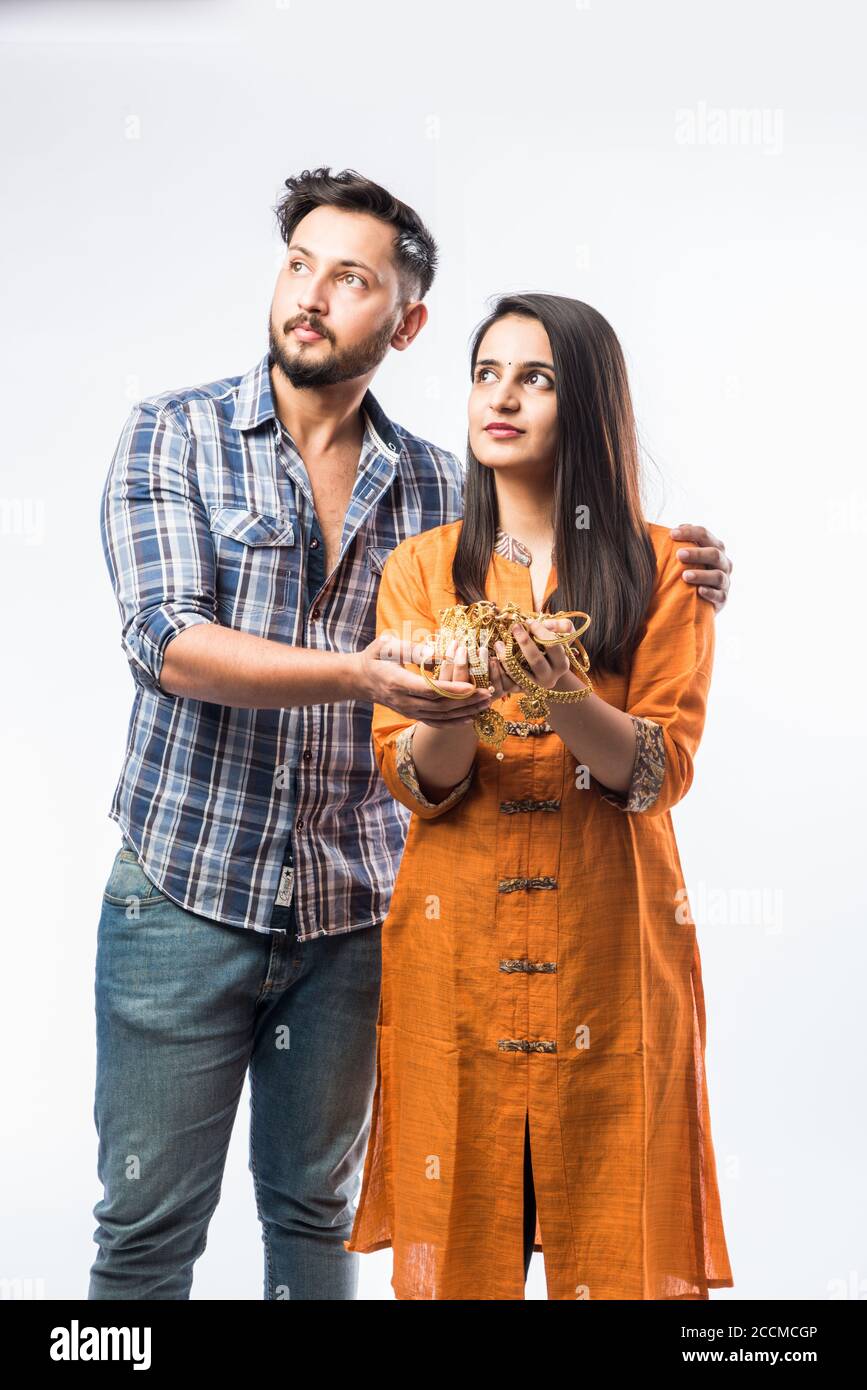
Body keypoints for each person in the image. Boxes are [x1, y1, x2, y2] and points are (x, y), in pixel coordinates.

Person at [91, 166, 733, 1299]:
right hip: (184, 890)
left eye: (350, 278)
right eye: (299, 266)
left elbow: (571, 557)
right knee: (146, 1224)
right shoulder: (173, 434)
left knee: (316, 1211)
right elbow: (166, 639)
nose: (311, 295)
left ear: (404, 318)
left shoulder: (441, 487)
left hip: (350, 907)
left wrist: (679, 560)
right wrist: (369, 674)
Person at [344, 293, 735, 1300]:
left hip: (612, 955)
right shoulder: (423, 569)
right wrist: (452, 704)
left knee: (616, 1245)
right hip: (457, 960)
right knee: (461, 1251)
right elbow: (418, 786)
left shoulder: (664, 567)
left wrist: (559, 689)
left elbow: (656, 772)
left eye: (536, 377)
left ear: (588, 402)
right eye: (484, 373)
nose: (500, 397)